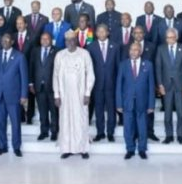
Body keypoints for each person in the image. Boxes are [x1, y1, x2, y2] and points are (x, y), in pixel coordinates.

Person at [53, 30, 95, 159]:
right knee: (65, 121)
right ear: (65, 41)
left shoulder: (84, 54)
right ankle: (66, 149)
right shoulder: (60, 55)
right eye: (68, 40)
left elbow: (90, 74)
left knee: (81, 119)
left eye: (72, 40)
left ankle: (83, 149)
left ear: (76, 40)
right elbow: (55, 76)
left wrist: (87, 93)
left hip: (80, 94)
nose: (70, 42)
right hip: (64, 95)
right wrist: (56, 95)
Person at [0, 33, 29, 157]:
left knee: (15, 123)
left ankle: (16, 147)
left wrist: (24, 95)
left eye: (7, 40)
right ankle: (2, 146)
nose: (5, 42)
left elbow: (24, 77)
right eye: (3, 40)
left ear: (12, 42)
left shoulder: (19, 56)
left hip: (14, 95)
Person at [117, 42, 155, 160]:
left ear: (141, 51)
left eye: (136, 50)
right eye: (131, 50)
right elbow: (119, 85)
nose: (133, 52)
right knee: (128, 127)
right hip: (127, 101)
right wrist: (119, 103)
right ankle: (130, 149)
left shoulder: (148, 65)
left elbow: (151, 86)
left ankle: (142, 149)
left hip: (142, 101)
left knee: (142, 126)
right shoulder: (123, 65)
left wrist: (151, 104)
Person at [155, 28, 182, 144]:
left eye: (172, 37)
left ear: (177, 37)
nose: (170, 40)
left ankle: (180, 135)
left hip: (180, 85)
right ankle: (169, 135)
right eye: (168, 38)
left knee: (181, 112)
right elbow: (158, 68)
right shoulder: (161, 49)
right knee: (167, 113)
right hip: (166, 85)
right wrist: (160, 84)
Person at [87, 24, 120, 142]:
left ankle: (110, 133)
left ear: (108, 33)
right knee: (99, 109)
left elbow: (118, 66)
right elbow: (89, 67)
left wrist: (118, 84)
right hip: (97, 84)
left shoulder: (115, 46)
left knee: (111, 109)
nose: (101, 33)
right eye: (99, 31)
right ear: (96, 33)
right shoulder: (91, 47)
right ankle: (100, 132)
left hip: (111, 84)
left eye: (103, 31)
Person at [29, 33, 59, 141]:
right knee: (42, 110)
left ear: (51, 40)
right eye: (43, 38)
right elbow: (31, 66)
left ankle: (54, 131)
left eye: (47, 38)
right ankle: (44, 131)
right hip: (39, 86)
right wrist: (31, 83)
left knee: (54, 111)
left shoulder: (57, 51)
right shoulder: (35, 51)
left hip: (52, 86)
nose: (45, 40)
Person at [14, 16, 35, 124]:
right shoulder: (13, 36)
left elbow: (34, 54)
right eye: (17, 23)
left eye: (21, 23)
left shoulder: (33, 36)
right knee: (17, 92)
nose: (19, 25)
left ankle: (30, 116)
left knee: (30, 93)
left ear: (26, 24)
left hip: (29, 68)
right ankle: (21, 115)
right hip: (16, 70)